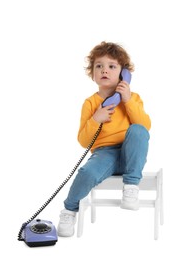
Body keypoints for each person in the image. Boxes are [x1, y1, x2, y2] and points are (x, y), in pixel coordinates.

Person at [57, 41, 151, 237]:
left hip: (130, 153)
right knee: (87, 173)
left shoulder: (133, 98)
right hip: (104, 154)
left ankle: (131, 186)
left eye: (112, 66)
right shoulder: (90, 103)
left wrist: (127, 100)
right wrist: (95, 119)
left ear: (124, 73)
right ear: (92, 73)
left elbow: (145, 127)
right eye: (99, 66)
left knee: (137, 131)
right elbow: (83, 141)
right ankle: (69, 210)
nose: (104, 70)